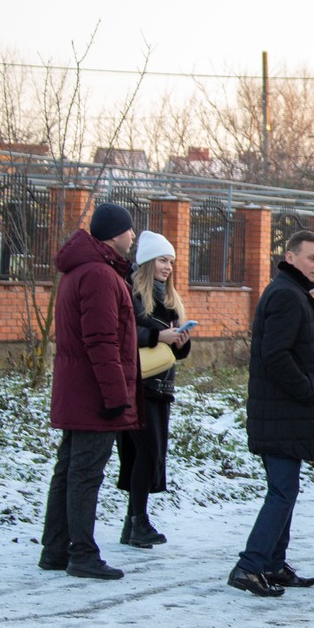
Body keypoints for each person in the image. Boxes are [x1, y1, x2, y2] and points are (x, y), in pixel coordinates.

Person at [231, 229, 314, 598]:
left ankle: (273, 563)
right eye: (313, 257)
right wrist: (308, 389)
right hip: (281, 411)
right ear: (290, 257)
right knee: (282, 490)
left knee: (286, 489)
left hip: (283, 412)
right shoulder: (287, 295)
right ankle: (250, 565)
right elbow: (275, 355)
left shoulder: (292, 292)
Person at [39, 203, 140, 581]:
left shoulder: (82, 270)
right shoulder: (99, 274)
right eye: (130, 230)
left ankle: (55, 549)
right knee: (83, 475)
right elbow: (101, 341)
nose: (133, 237)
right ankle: (81, 552)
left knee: (68, 471)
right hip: (95, 395)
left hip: (79, 389)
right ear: (115, 233)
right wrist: (116, 397)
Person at [118, 230, 195, 548]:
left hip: (160, 386)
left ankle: (133, 523)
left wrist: (181, 341)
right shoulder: (132, 294)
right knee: (144, 454)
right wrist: (157, 337)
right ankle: (138, 523)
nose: (168, 266)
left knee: (149, 456)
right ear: (149, 261)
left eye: (171, 261)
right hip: (137, 386)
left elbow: (174, 352)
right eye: (163, 260)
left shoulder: (169, 299)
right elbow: (122, 332)